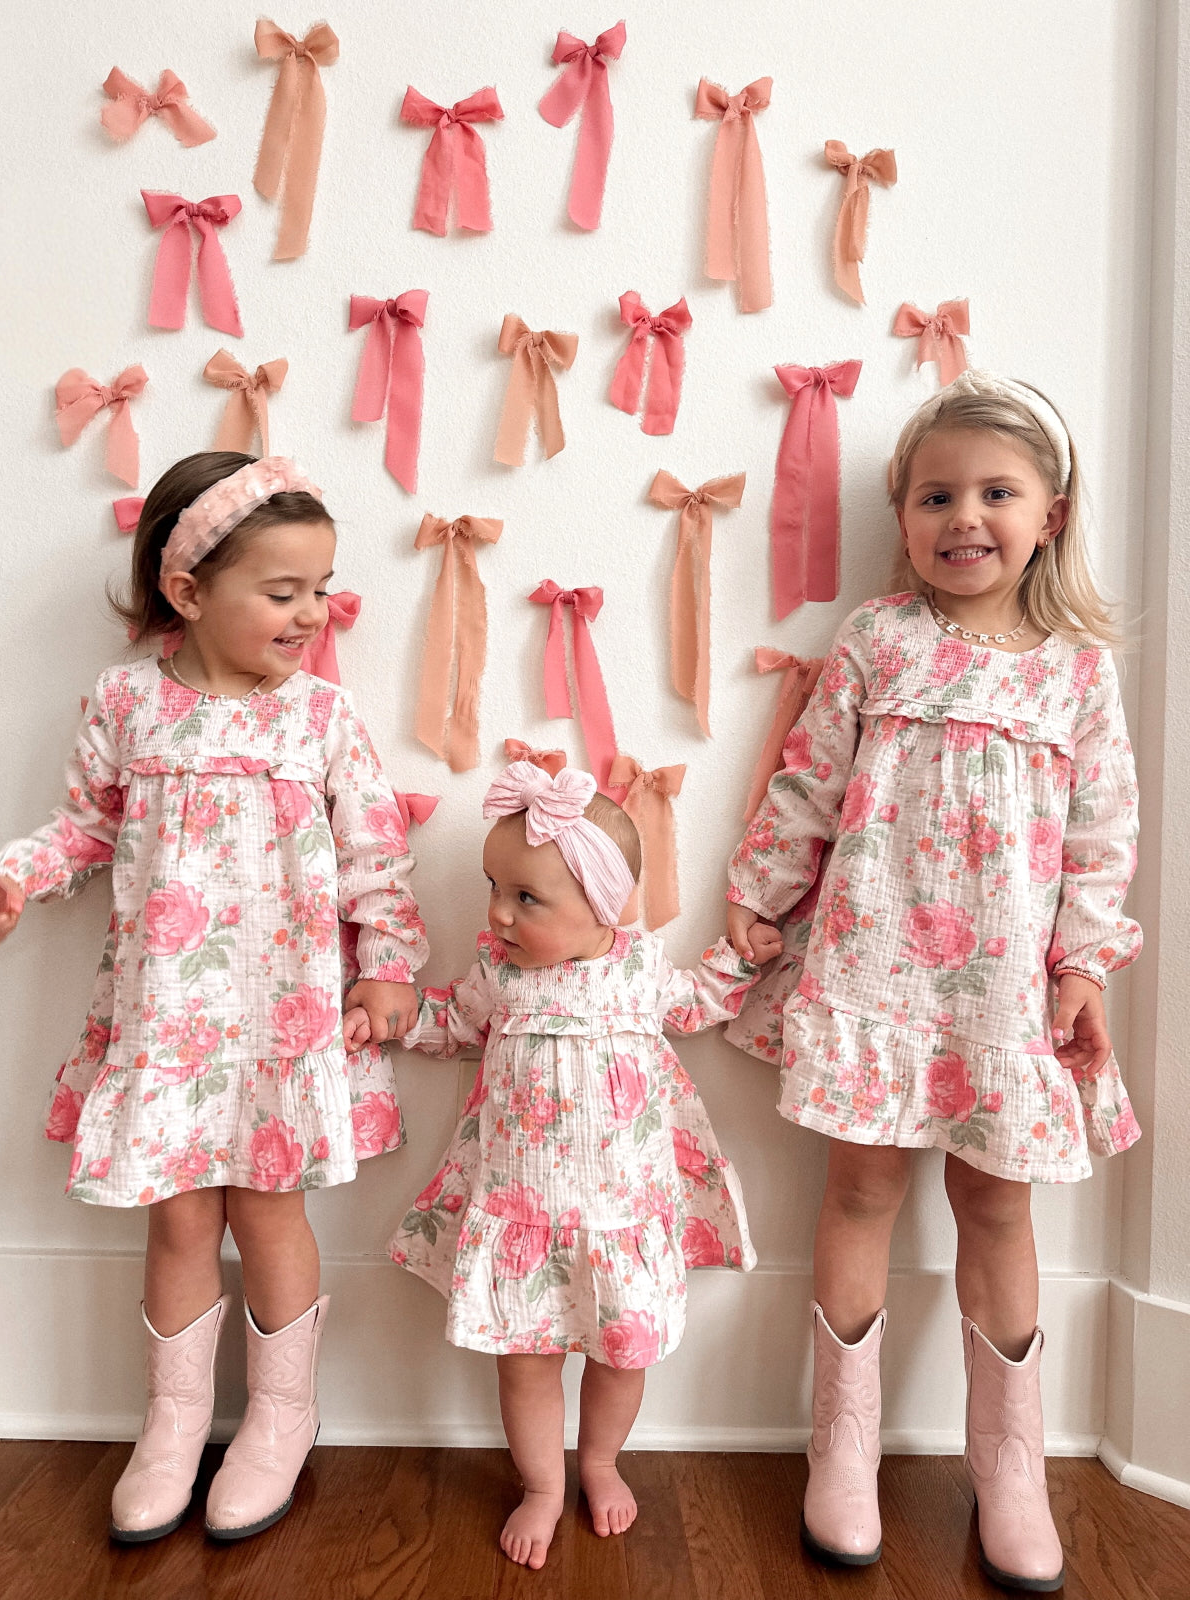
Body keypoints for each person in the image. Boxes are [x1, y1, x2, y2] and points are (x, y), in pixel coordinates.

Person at [724, 372, 1141, 1593]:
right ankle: (842, 1448)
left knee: (999, 1206)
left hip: (1004, 992)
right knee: (859, 1187)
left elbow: (1102, 836)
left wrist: (1084, 964)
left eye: (996, 493)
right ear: (904, 516)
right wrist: (760, 891)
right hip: (875, 967)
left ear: (1050, 515)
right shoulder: (879, 638)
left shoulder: (1076, 671)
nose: (965, 517)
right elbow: (809, 778)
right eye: (936, 496)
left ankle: (1011, 1465)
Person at [0, 452, 428, 1543]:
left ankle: (281, 1416)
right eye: (283, 592)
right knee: (181, 1215)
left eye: (321, 589)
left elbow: (375, 847)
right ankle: (175, 1421)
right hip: (167, 1019)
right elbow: (85, 828)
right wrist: (16, 877)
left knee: (270, 1209)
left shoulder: (319, 716)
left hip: (283, 1017)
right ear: (187, 592)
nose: (313, 614)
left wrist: (386, 960)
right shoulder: (126, 703)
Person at [386, 761, 763, 1570]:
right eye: (494, 887)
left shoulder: (638, 969)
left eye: (526, 898)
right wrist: (394, 1017)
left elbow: (696, 1002)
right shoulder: (500, 975)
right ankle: (541, 1484)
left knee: (622, 1356)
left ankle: (599, 1461)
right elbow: (451, 1021)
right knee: (525, 1366)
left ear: (602, 902)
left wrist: (739, 960)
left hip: (621, 1217)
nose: (497, 911)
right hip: (523, 1215)